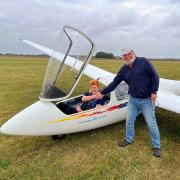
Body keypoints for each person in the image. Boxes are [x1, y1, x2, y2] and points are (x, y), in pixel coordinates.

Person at [96, 47, 161, 158]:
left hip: (146, 100)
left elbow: (155, 76)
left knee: (151, 124)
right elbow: (114, 83)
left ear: (133, 53)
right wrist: (102, 93)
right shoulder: (124, 69)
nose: (126, 57)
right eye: (124, 56)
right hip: (133, 100)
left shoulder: (143, 62)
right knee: (129, 120)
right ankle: (128, 139)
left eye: (128, 54)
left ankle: (156, 146)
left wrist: (154, 91)